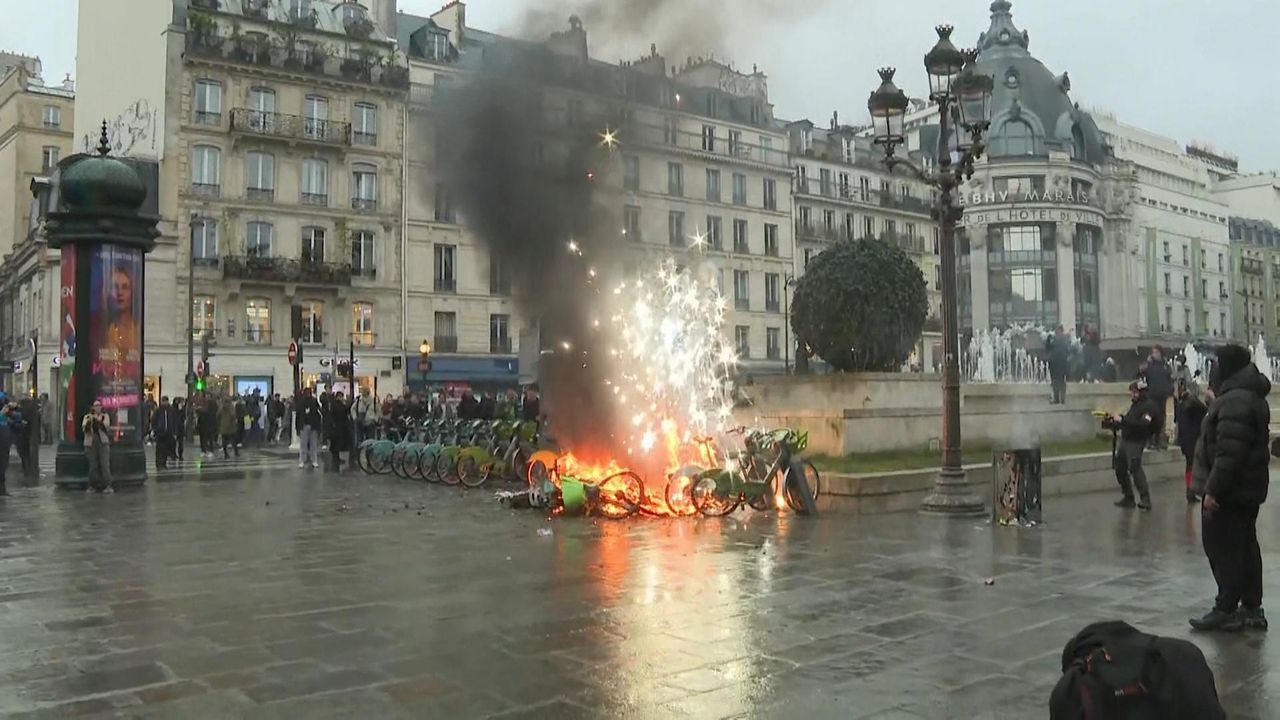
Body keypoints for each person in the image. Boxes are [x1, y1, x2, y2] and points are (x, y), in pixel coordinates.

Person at [1189, 344, 1270, 633]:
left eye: (1218, 364)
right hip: (1246, 489)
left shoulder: (1235, 400)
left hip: (1231, 491)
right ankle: (1250, 606)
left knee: (1224, 547)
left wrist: (1213, 491)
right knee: (1245, 545)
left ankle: (1226, 607)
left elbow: (1229, 453)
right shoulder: (1245, 395)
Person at [1109, 379, 1157, 510]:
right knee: (1120, 468)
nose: (1132, 395)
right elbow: (1129, 420)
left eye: (1135, 392)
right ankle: (1128, 497)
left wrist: (1123, 420)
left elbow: (1143, 424)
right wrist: (1116, 421)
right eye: (1132, 392)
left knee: (1135, 469)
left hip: (1136, 441)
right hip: (1126, 440)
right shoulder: (1135, 405)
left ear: (1142, 392)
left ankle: (1145, 499)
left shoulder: (1149, 406)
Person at [1176, 382, 1210, 504]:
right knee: (1192, 466)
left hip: (1185, 441)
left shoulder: (1181, 405)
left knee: (1189, 466)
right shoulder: (1193, 405)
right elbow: (1206, 411)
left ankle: (1190, 491)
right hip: (1192, 440)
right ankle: (1191, 491)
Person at [1144, 346, 1173, 449]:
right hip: (1152, 396)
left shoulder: (1165, 366)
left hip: (1162, 396)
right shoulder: (1149, 366)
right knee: (1151, 417)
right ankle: (1149, 440)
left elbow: (1169, 379)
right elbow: (1141, 375)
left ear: (1161, 353)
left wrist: (1170, 391)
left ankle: (1158, 439)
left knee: (1161, 418)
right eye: (1153, 353)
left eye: (1156, 352)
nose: (1154, 354)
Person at [82, 400, 113, 493]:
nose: (97, 408)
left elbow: (106, 427)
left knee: (105, 464)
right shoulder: (87, 417)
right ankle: (92, 485)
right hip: (90, 442)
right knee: (93, 465)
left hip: (102, 442)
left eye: (99, 406)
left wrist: (98, 421)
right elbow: (84, 428)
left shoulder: (105, 416)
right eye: (95, 406)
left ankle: (108, 485)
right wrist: (91, 421)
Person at [295, 389, 323, 469]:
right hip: (307, 425)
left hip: (309, 425)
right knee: (309, 444)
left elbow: (298, 416)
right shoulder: (310, 401)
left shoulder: (305, 402)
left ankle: (305, 461)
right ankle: (310, 460)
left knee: (309, 444)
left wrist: (297, 427)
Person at [327, 391, 352, 471]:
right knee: (336, 443)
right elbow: (343, 413)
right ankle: (336, 458)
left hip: (337, 427)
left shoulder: (335, 405)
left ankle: (336, 457)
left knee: (336, 443)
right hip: (338, 427)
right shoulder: (337, 405)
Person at [1048, 326, 1070, 404]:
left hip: (1057, 363)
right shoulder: (1065, 339)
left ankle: (1057, 399)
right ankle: (1061, 399)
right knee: (1060, 382)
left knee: (1056, 382)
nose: (1056, 333)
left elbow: (1049, 347)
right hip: (1061, 363)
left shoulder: (1057, 339)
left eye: (1057, 331)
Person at [352, 386, 379, 452]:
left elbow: (378, 411)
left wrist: (375, 419)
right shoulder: (358, 401)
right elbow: (353, 409)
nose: (363, 393)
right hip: (360, 423)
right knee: (359, 441)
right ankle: (358, 455)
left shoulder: (374, 401)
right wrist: (355, 417)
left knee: (370, 441)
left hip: (370, 423)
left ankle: (369, 456)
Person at [152, 396, 175, 470]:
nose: (164, 403)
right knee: (159, 449)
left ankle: (164, 464)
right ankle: (159, 464)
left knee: (165, 449)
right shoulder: (158, 410)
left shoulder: (171, 410)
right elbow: (154, 420)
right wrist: (155, 429)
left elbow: (174, 420)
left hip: (168, 432)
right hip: (160, 432)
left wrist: (174, 431)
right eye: (163, 401)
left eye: (166, 401)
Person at [0, 395, 17, 496]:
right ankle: (2, 489)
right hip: (3, 445)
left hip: (5, 446)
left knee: (3, 468)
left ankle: (2, 489)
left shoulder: (6, 417)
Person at [217, 394, 239, 459]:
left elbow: (217, 415)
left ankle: (226, 454)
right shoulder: (231, 407)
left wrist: (219, 423)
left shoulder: (221, 407)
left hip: (223, 427)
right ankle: (236, 452)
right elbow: (233, 416)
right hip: (231, 427)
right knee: (233, 440)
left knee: (224, 441)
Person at [173, 397, 187, 462]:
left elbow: (183, 417)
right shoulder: (173, 409)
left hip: (180, 427)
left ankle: (179, 454)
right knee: (175, 442)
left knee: (180, 443)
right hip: (176, 427)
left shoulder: (182, 409)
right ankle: (174, 454)